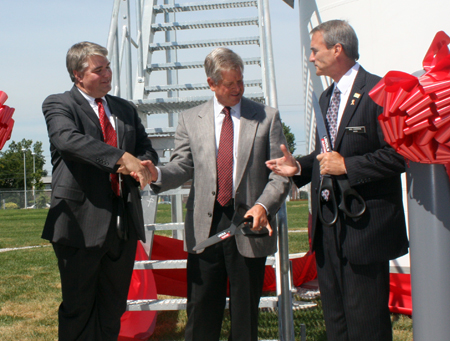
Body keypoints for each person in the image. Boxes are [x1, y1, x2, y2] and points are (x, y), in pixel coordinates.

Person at [266, 20, 408, 341]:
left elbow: (400, 155)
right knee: (337, 323)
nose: (311, 57)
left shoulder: (379, 92)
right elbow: (326, 158)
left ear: (337, 49)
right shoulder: (326, 98)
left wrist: (349, 166)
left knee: (367, 325)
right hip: (328, 232)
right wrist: (298, 169)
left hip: (365, 232)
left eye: (315, 50)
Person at [143, 47, 290, 341]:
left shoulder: (266, 118)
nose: (237, 89)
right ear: (211, 83)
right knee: (200, 313)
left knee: (246, 316)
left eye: (241, 82)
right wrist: (156, 174)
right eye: (229, 84)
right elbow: (183, 166)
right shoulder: (189, 119)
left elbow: (280, 173)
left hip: (249, 225)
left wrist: (264, 206)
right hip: (205, 228)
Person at [42, 41, 158, 341]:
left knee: (113, 306)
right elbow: (68, 140)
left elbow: (144, 147)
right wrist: (120, 158)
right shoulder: (59, 104)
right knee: (78, 307)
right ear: (77, 75)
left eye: (108, 68)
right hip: (79, 223)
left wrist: (145, 164)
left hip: (123, 224)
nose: (107, 74)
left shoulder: (124, 109)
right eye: (98, 70)